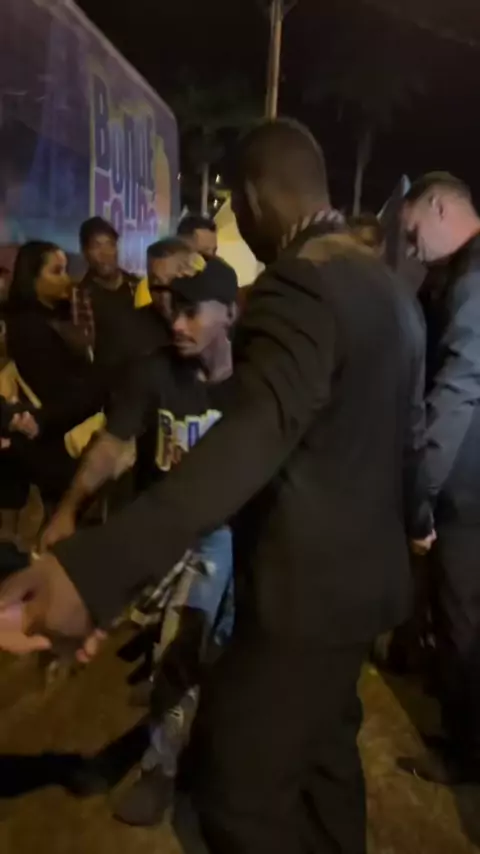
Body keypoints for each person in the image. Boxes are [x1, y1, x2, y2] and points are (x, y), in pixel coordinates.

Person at [0, 120, 433, 854]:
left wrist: (97, 569)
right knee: (326, 762)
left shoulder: (300, 281)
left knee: (239, 791)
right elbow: (409, 440)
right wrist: (416, 522)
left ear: (255, 199)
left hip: (304, 600)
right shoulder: (388, 288)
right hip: (364, 590)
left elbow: (252, 439)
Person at [42, 256, 238, 826]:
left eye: (192, 312)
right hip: (165, 527)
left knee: (200, 650)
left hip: (226, 533)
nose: (176, 323)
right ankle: (165, 749)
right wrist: (69, 509)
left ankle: (174, 758)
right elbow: (111, 446)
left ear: (229, 313)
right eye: (174, 309)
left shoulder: (258, 379)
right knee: (174, 646)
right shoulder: (154, 370)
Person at [400, 172, 480, 784]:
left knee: (462, 617)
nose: (411, 247)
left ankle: (467, 750)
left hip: (468, 491)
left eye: (412, 232)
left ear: (439, 207)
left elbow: (459, 390)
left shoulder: (472, 281)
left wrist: (419, 489)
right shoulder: (462, 274)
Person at [3, 241, 103, 508]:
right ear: (32, 278)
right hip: (56, 448)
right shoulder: (28, 328)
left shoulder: (60, 316)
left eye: (66, 270)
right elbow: (58, 396)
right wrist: (102, 389)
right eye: (56, 271)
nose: (66, 279)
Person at [74, 217, 149, 376]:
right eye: (96, 246)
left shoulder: (137, 286)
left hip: (144, 376)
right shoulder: (81, 296)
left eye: (110, 244)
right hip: (106, 381)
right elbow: (83, 350)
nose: (105, 253)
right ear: (85, 252)